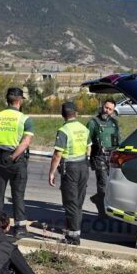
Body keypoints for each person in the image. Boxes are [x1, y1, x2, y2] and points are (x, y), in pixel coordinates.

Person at [0, 87, 34, 239]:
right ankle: (20, 228)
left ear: (8, 100)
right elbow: (25, 142)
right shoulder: (25, 119)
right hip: (16, 160)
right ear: (19, 100)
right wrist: (13, 157)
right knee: (18, 194)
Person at [48, 102, 90, 245]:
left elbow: (57, 155)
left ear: (63, 114)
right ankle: (74, 230)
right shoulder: (84, 129)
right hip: (84, 166)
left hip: (70, 168)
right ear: (76, 113)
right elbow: (88, 148)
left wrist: (52, 172)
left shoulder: (64, 130)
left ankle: (73, 237)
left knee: (70, 202)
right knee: (78, 201)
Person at [87, 99, 120, 217]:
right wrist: (87, 158)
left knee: (112, 185)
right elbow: (87, 142)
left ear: (113, 110)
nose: (107, 110)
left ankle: (98, 199)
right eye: (106, 107)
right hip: (99, 157)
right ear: (102, 106)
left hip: (111, 157)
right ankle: (103, 212)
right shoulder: (93, 122)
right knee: (103, 184)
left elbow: (117, 141)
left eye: (110, 109)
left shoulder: (114, 123)